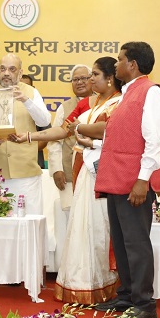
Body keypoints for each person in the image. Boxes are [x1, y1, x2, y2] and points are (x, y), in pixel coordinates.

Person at [15, 57, 122, 303]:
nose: (90, 79)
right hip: (83, 171)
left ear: (110, 78)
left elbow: (109, 129)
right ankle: (82, 283)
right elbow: (63, 129)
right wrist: (30, 136)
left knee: (99, 228)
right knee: (81, 226)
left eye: (95, 74)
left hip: (105, 173)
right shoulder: (88, 103)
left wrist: (79, 129)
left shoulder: (120, 103)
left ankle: (103, 284)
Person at [92, 42, 160, 318]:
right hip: (118, 179)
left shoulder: (151, 92)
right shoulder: (127, 93)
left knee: (136, 242)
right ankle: (126, 295)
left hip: (135, 181)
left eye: (120, 59)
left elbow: (154, 140)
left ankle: (144, 303)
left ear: (132, 64)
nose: (116, 64)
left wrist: (142, 180)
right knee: (122, 242)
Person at [0, 54, 51, 216]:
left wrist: (26, 101)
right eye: (3, 69)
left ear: (20, 73)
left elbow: (44, 120)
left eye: (12, 69)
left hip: (25, 173)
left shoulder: (31, 92)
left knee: (27, 221)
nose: (6, 73)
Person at [48, 65, 92, 211]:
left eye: (84, 78)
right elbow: (54, 141)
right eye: (75, 79)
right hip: (68, 173)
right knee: (70, 215)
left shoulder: (103, 103)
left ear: (92, 79)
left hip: (95, 174)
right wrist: (56, 169)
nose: (79, 82)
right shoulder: (64, 107)